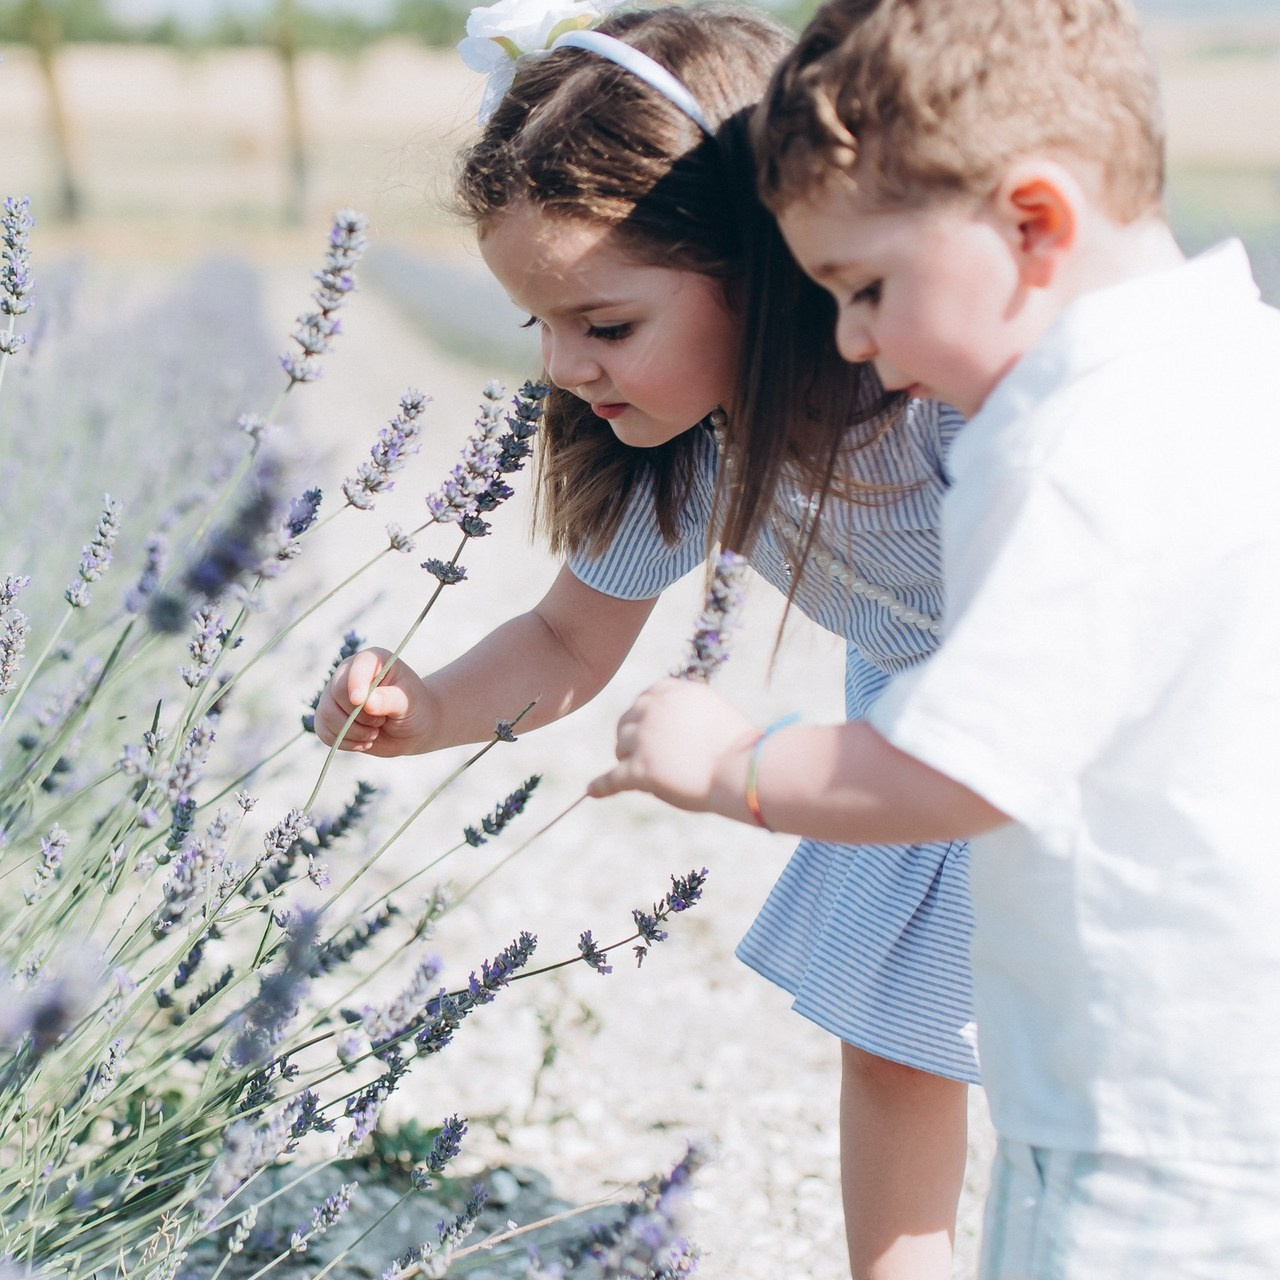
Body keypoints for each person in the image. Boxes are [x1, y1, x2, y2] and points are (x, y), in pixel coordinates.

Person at [589, 0, 1280, 1275]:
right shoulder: (1243, 368)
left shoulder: (1062, 447)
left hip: (1135, 1093)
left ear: (1032, 224)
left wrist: (735, 761)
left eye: (865, 288)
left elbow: (960, 763)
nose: (847, 339)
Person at [315, 5, 977, 1276]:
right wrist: (428, 705)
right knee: (898, 1034)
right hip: (912, 710)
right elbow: (567, 635)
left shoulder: (926, 398)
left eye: (605, 325)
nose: (565, 366)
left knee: (1105, 1036)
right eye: (542, 328)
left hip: (1092, 707)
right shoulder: (693, 449)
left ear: (767, 261)